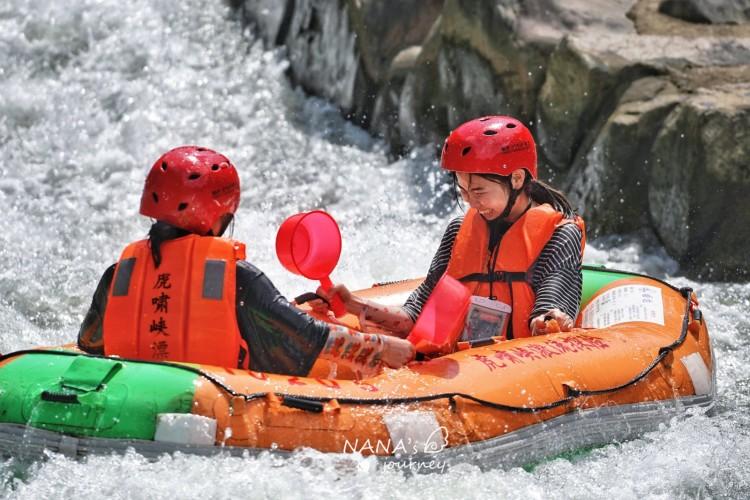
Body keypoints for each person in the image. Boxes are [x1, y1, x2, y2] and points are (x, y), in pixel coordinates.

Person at [77, 146, 414, 376]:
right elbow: (310, 338)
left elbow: (90, 343)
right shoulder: (237, 276)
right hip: (218, 400)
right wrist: (382, 347)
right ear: (218, 214)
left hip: (134, 394)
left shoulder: (119, 273)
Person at [315, 116, 585, 340]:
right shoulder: (459, 231)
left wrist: (549, 320)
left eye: (479, 190)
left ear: (516, 178)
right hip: (465, 368)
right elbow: (414, 315)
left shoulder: (560, 235)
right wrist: (352, 304)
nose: (472, 203)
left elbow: (552, 309)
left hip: (518, 368)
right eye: (463, 191)